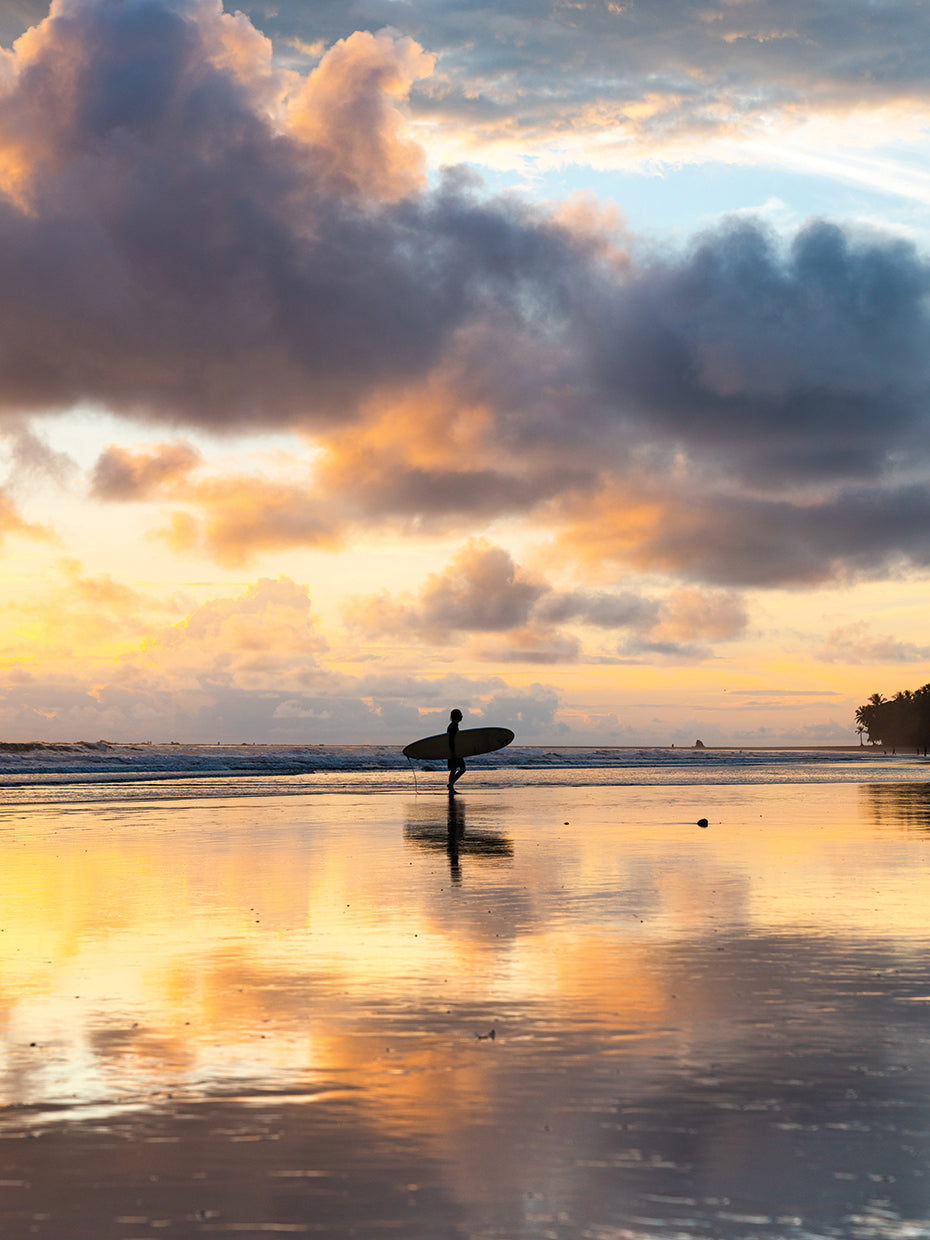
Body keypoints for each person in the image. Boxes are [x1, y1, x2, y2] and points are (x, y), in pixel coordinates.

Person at [447, 708, 466, 794]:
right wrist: (453, 752)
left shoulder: (454, 725)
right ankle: (450, 785)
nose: (462, 716)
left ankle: (451, 785)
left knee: (455, 769)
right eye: (460, 715)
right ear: (456, 716)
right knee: (459, 769)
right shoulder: (453, 726)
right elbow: (451, 740)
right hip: (454, 751)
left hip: (455, 751)